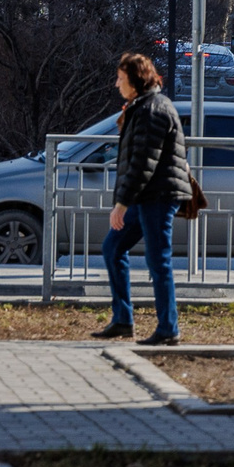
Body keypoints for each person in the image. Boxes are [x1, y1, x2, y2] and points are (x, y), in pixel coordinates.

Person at [94, 51, 186, 346]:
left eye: (120, 78)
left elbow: (143, 163)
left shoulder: (153, 110)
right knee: (112, 247)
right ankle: (123, 320)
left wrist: (121, 204)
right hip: (147, 194)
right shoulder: (142, 106)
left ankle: (168, 328)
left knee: (158, 260)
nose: (116, 84)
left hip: (158, 195)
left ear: (135, 80)